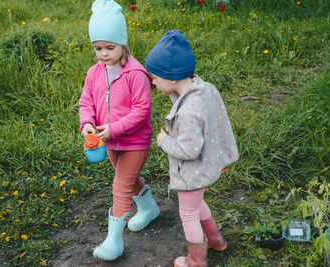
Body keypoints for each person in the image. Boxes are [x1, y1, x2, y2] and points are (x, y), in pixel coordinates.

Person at [145, 30, 239, 267]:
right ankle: (216, 240)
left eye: (155, 78)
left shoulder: (188, 112)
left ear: (173, 77)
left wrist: (164, 140)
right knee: (196, 204)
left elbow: (188, 151)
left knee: (187, 214)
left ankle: (196, 260)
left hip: (192, 171)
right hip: (207, 164)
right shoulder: (202, 88)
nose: (153, 83)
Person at [79, 0, 160, 261]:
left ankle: (114, 241)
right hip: (108, 141)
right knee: (128, 179)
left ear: (122, 43)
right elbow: (86, 101)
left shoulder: (135, 73)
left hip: (135, 141)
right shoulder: (94, 73)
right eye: (98, 48)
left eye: (109, 47)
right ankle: (148, 209)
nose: (103, 54)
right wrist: (88, 123)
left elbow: (141, 110)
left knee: (121, 186)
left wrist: (114, 129)